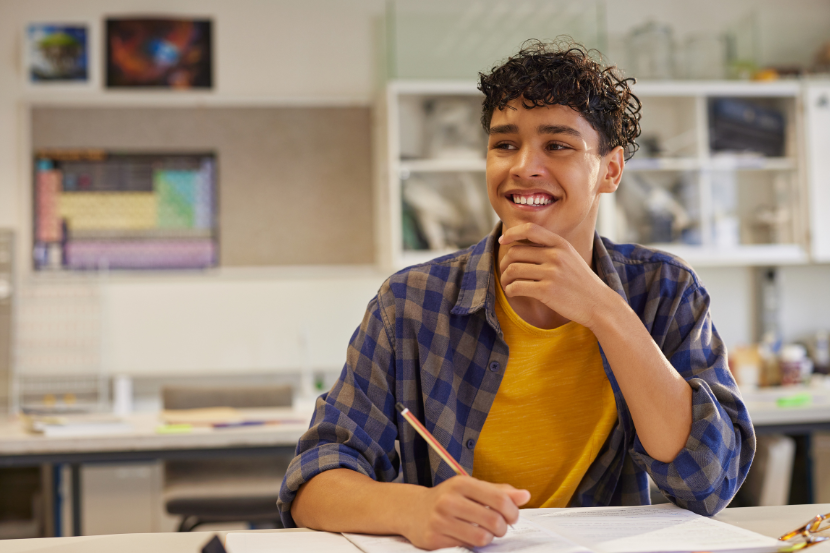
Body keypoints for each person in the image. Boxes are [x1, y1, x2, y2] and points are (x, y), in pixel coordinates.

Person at [277, 39, 755, 551]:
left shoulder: (663, 290)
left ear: (610, 170)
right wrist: (415, 509)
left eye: (558, 145)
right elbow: (310, 486)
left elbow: (708, 480)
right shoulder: (410, 304)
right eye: (504, 144)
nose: (524, 166)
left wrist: (604, 310)